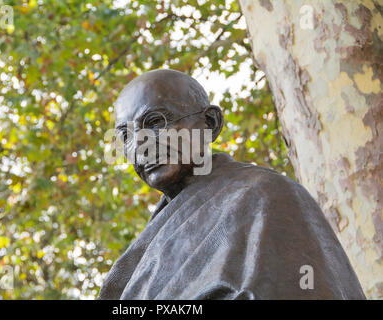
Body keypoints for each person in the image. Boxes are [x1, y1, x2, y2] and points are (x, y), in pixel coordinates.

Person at [98, 69, 365, 299]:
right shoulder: (154, 236)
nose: (141, 146)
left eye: (155, 122)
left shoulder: (264, 195)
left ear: (210, 123)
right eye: (126, 136)